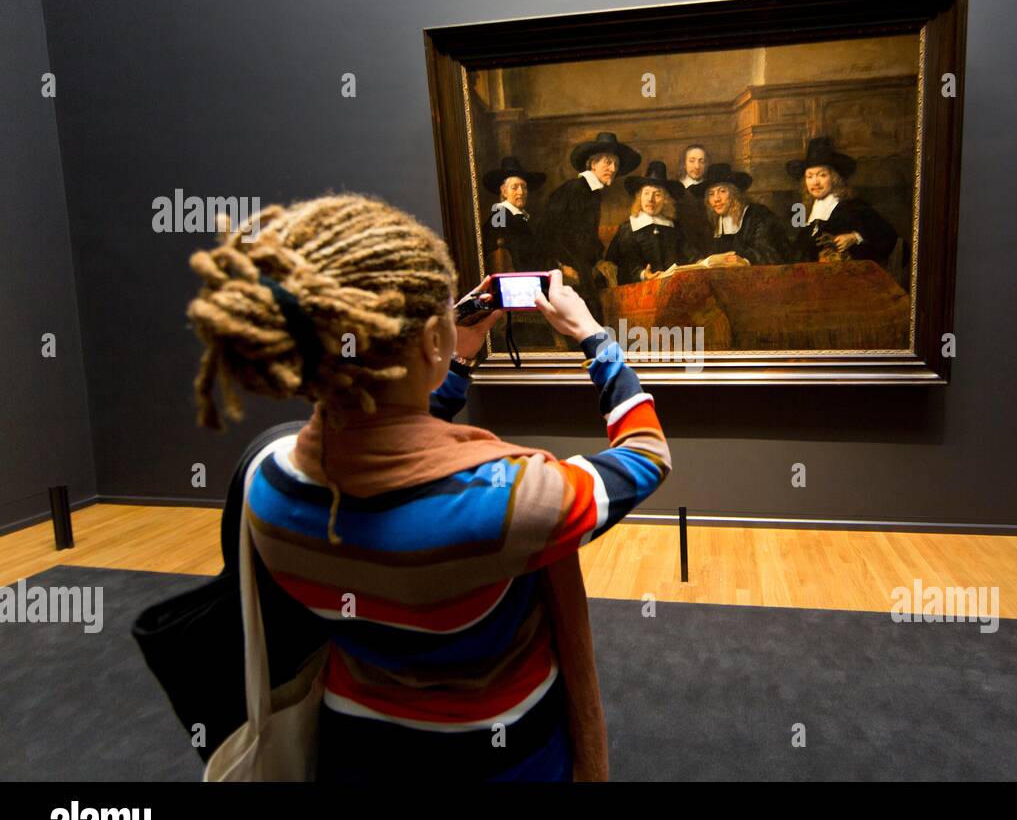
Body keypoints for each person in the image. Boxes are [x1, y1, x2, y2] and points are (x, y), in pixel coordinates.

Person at [185, 194, 671, 782]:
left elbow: (385, 439)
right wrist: (596, 340)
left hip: (356, 751)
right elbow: (646, 456)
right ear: (425, 341)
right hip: (502, 760)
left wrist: (453, 361)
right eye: (445, 308)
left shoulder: (268, 481)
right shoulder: (506, 500)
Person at [538, 131, 641, 321]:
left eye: (616, 164)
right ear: (593, 164)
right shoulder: (575, 189)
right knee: (589, 312)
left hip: (582, 266)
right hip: (564, 267)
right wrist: (562, 265)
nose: (613, 168)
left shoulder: (593, 193)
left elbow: (587, 236)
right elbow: (548, 230)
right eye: (607, 162)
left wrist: (598, 261)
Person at [786, 136, 898, 268]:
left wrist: (854, 237)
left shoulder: (853, 206)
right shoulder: (808, 210)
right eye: (809, 176)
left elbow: (888, 235)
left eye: (822, 175)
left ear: (834, 178)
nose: (815, 182)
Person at [604, 161, 688, 285]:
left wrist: (700, 260)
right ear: (640, 197)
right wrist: (643, 274)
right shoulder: (628, 228)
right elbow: (624, 264)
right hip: (639, 288)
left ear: (665, 200)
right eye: (646, 193)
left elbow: (689, 252)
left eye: (657, 194)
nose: (650, 199)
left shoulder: (674, 227)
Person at [692, 163, 791, 266]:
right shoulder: (712, 222)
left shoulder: (758, 215)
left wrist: (746, 261)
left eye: (722, 191)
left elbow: (770, 253)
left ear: (734, 194)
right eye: (711, 194)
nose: (716, 199)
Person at [479, 156, 555, 273]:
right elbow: (497, 249)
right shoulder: (500, 215)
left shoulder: (520, 217)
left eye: (524, 187)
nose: (521, 192)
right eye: (514, 187)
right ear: (504, 192)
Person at [676, 144, 713, 262]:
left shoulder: (712, 190)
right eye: (692, 161)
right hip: (684, 253)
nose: (697, 166)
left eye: (701, 161)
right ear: (684, 164)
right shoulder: (675, 190)